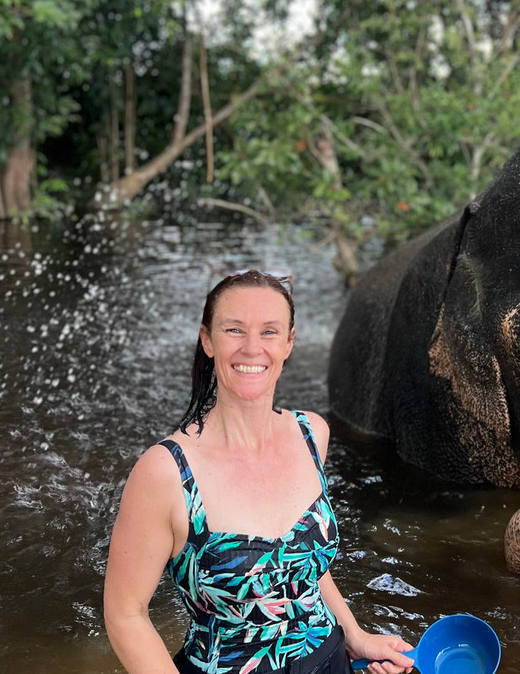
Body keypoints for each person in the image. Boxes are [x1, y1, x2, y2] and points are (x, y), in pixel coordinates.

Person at [104, 270, 414, 674]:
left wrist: (354, 635)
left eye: (269, 332)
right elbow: (126, 614)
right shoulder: (166, 473)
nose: (252, 348)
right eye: (235, 329)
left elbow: (301, 566)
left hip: (329, 659)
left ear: (289, 343)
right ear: (207, 340)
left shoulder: (311, 434)